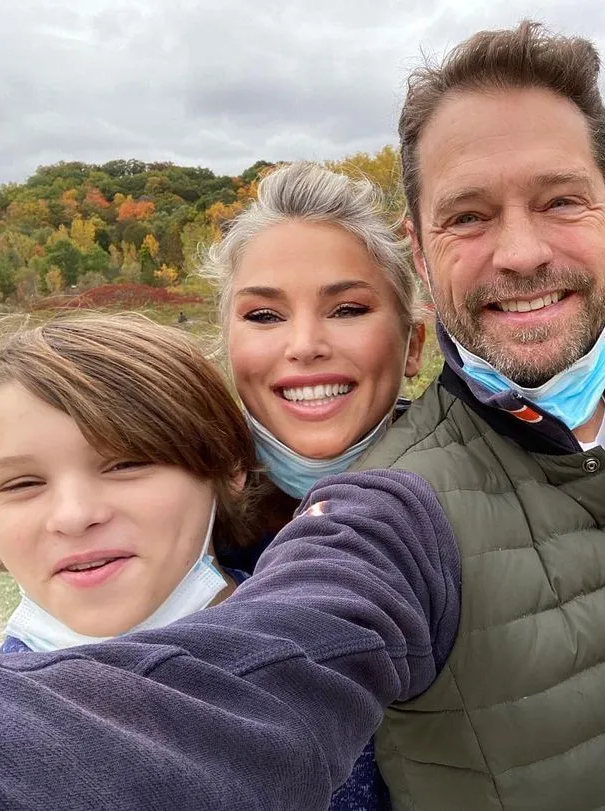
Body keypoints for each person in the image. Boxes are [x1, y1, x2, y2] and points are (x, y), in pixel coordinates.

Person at [0, 22, 605, 810]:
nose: (523, 251)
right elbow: (236, 694)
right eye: (468, 216)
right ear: (426, 255)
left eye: (561, 200)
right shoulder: (391, 508)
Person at [200, 160, 426, 811]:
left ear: (411, 346)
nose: (304, 344)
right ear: (229, 346)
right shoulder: (172, 539)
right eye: (265, 315)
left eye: (347, 308)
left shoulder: (497, 511)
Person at [0, 315, 260, 653]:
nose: (74, 516)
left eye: (126, 464)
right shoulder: (2, 703)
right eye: (21, 484)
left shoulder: (332, 658)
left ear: (231, 469)